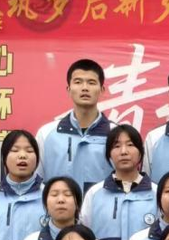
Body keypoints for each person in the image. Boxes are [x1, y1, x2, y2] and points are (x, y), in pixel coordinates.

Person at [79, 124, 158, 240]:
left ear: (140, 153)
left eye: (130, 145)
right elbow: (85, 238)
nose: (124, 151)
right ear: (109, 154)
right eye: (116, 146)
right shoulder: (94, 194)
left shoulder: (157, 193)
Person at [36, 58, 112, 192]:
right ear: (68, 89)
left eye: (91, 82)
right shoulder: (47, 134)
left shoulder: (115, 135)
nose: (85, 88)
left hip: (100, 205)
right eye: (78, 82)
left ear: (102, 90)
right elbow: (37, 182)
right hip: (58, 205)